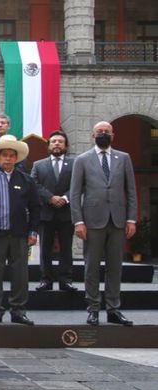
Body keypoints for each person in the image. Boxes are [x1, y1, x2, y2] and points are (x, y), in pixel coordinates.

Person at [70, 121, 137, 327]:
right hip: (92, 221)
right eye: (100, 132)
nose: (103, 134)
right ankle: (93, 309)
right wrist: (78, 221)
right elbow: (75, 193)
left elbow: (131, 191)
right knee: (91, 267)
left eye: (107, 131)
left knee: (115, 267)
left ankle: (114, 309)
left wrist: (131, 219)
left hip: (117, 221)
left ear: (113, 135)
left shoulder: (124, 158)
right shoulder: (82, 160)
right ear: (93, 135)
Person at [0, 135, 41, 326]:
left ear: (16, 158)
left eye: (12, 155)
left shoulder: (27, 180)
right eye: (4, 155)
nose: (8, 159)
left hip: (20, 236)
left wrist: (33, 232)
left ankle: (18, 311)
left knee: (20, 274)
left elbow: (36, 207)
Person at [31, 130, 77, 292]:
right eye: (54, 141)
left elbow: (78, 186)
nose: (57, 144)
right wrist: (50, 198)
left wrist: (64, 198)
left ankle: (66, 280)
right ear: (49, 145)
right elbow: (34, 185)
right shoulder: (38, 164)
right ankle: (46, 280)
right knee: (45, 249)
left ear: (66, 145)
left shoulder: (74, 164)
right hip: (46, 212)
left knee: (66, 248)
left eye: (60, 141)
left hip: (66, 212)